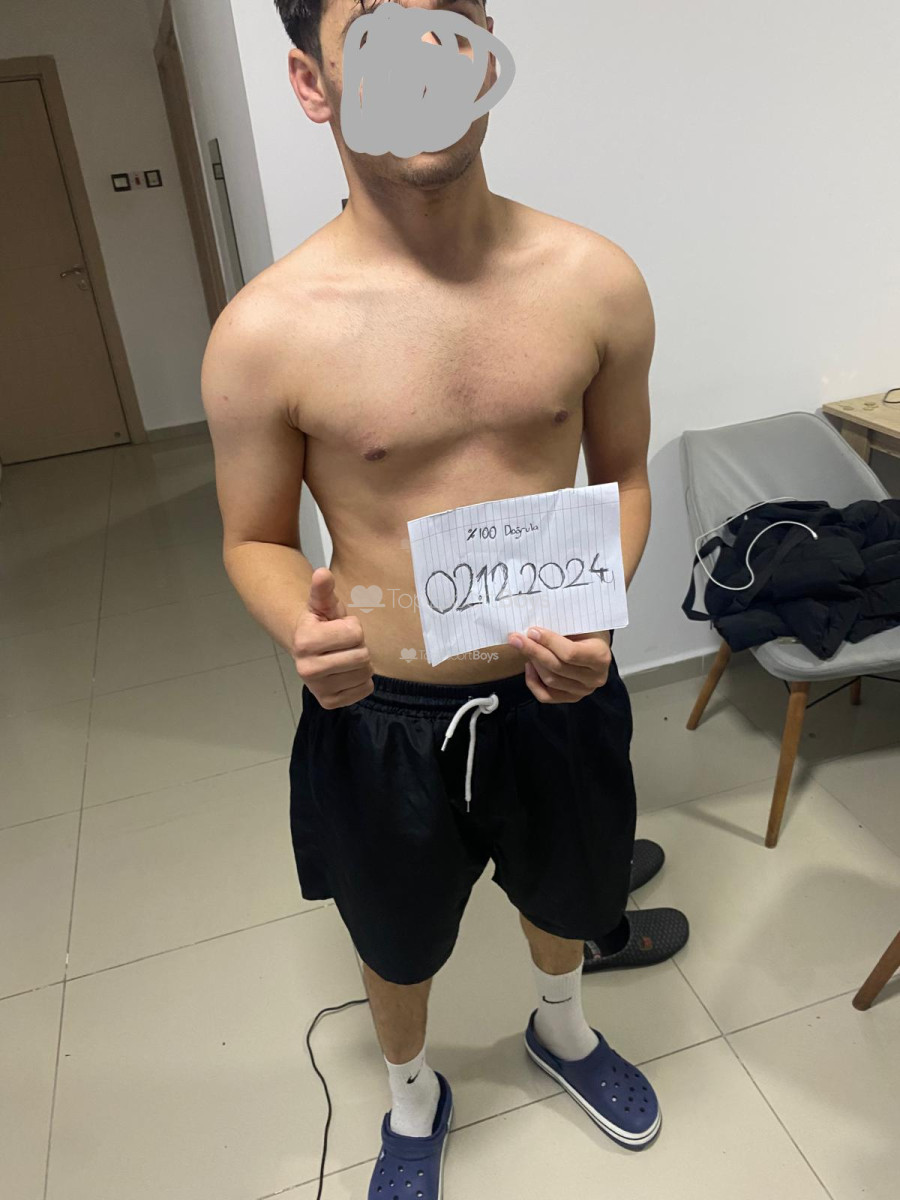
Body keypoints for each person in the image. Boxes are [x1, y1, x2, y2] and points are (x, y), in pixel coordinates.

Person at [201, 1, 659, 1193]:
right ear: (313, 83)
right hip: (383, 717)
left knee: (569, 889)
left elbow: (625, 477)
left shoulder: (596, 280)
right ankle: (412, 1097)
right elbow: (252, 537)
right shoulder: (264, 332)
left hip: (557, 690)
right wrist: (299, 626)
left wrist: (598, 615)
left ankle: (563, 1029)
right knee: (395, 939)